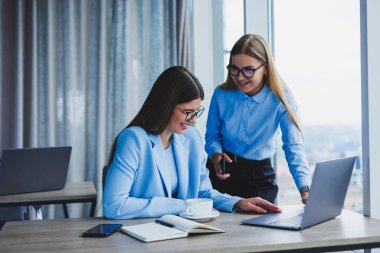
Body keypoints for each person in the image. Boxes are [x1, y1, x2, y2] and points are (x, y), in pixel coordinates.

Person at [103, 66, 281, 219]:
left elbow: (202, 192)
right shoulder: (134, 139)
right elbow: (114, 205)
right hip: (142, 235)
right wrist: (181, 206)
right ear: (165, 106)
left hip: (181, 231)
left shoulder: (191, 138)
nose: (194, 120)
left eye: (196, 111)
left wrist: (238, 202)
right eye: (187, 112)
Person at [205, 34, 311, 204]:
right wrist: (216, 153)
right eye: (234, 69)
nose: (240, 77)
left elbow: (293, 146)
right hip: (221, 173)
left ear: (266, 68)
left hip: (258, 178)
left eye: (248, 70)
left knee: (259, 229)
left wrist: (305, 188)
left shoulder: (282, 99)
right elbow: (212, 135)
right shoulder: (221, 95)